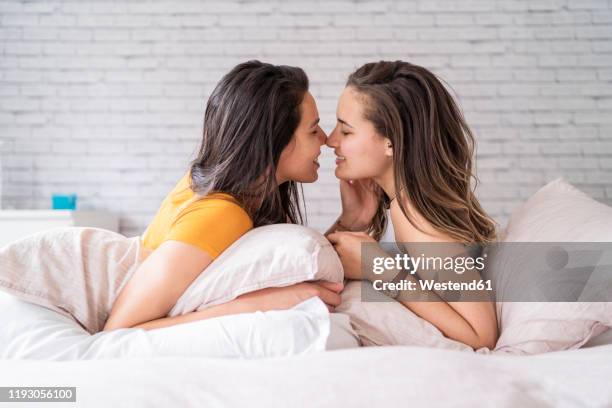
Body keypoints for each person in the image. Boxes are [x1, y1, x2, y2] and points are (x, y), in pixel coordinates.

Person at [104, 60, 342, 331]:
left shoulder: (233, 195)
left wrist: (357, 229)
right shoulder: (222, 212)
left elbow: (386, 283)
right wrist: (257, 304)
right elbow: (118, 331)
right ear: (275, 140)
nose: (329, 139)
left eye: (346, 130)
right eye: (314, 129)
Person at [325, 60, 499, 350]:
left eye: (346, 131)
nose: (331, 140)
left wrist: (378, 267)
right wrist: (352, 219)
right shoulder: (407, 204)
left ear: (390, 142)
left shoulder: (415, 215)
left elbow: (481, 335)